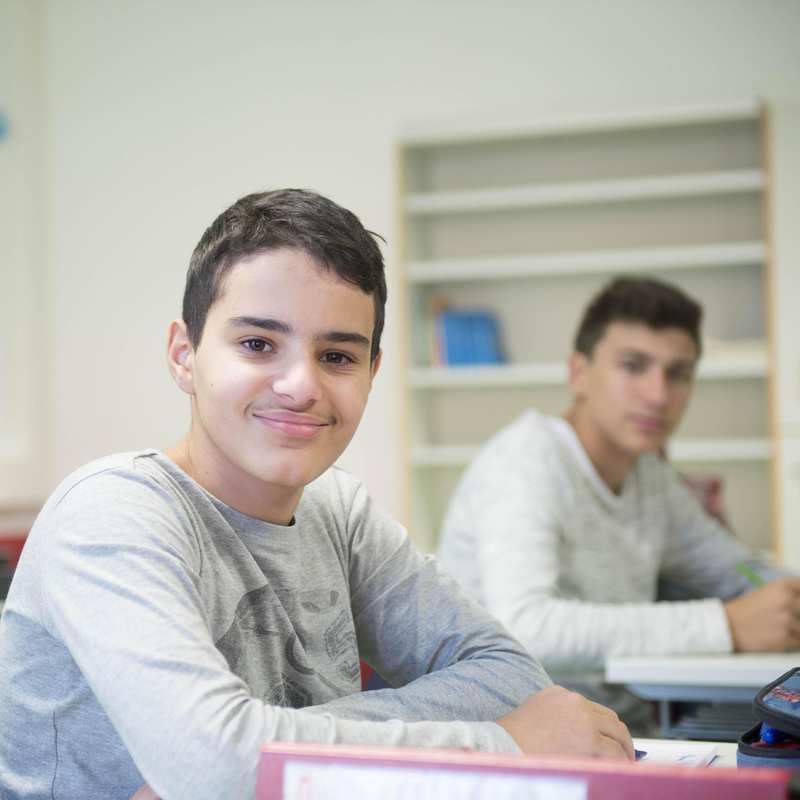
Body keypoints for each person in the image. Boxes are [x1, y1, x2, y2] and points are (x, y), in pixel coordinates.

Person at [0, 189, 633, 800]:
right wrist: (498, 744)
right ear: (184, 354)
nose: (301, 385)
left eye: (336, 356)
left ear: (371, 373)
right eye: (257, 344)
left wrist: (260, 749)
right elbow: (216, 766)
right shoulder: (111, 511)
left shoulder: (340, 511)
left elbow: (511, 677)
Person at [437, 276, 800, 730]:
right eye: (634, 366)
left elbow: (735, 568)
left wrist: (780, 591)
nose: (659, 395)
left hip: (618, 727)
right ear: (578, 373)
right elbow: (526, 626)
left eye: (678, 373)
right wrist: (725, 625)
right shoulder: (526, 460)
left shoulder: (650, 476)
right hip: (511, 737)